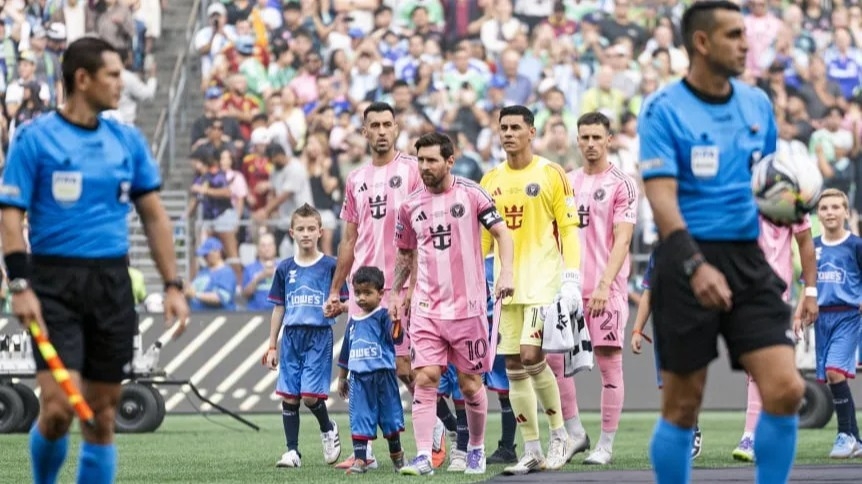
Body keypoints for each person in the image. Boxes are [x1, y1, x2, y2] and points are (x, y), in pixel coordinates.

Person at [0, 37, 189, 484]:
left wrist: (173, 284)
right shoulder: (35, 138)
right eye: (113, 75)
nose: (122, 84)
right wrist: (20, 285)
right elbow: (10, 217)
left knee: (101, 416)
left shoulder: (127, 140)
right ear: (82, 80)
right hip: (52, 285)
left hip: (111, 284)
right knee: (59, 408)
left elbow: (154, 216)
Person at [638, 3, 805, 483]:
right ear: (702, 42)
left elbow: (767, 184)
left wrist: (789, 204)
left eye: (745, 34)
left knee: (785, 389)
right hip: (686, 257)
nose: (745, 44)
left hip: (747, 258)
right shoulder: (663, 110)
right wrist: (695, 265)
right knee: (683, 405)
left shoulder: (757, 104)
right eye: (733, 35)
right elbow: (662, 201)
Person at [324, 102, 447, 468]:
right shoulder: (356, 179)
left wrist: (411, 286)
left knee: (406, 366)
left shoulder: (412, 171)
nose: (380, 130)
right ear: (364, 131)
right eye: (373, 125)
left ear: (397, 129)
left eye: (386, 124)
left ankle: (443, 429)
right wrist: (337, 290)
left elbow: (423, 227)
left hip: (400, 287)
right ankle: (367, 453)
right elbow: (349, 238)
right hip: (364, 292)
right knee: (365, 369)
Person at [392, 132, 514, 476]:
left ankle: (475, 447)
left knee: (470, 385)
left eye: (432, 160)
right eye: (421, 160)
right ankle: (422, 456)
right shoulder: (410, 205)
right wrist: (396, 293)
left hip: (469, 308)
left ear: (449, 160)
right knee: (425, 377)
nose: (425, 167)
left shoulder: (472, 194)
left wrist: (506, 274)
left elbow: (503, 234)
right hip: (427, 309)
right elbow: (404, 252)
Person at [480, 105, 582, 475]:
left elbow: (569, 228)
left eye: (515, 128)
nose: (508, 133)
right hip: (505, 287)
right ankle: (533, 448)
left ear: (531, 132)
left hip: (543, 283)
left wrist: (572, 276)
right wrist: (478, 280)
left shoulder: (551, 173)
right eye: (503, 127)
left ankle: (560, 436)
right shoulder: (490, 179)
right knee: (511, 366)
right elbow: (483, 242)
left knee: (529, 354)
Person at [567, 111, 639, 465]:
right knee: (550, 361)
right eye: (585, 137)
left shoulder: (622, 183)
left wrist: (604, 285)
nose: (591, 144)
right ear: (577, 140)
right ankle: (575, 432)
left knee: (609, 366)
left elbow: (623, 239)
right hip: (567, 292)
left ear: (609, 139)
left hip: (605, 290)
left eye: (597, 137)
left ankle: (606, 446)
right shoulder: (565, 182)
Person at [262, 204, 346, 468]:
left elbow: (344, 302)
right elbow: (279, 307)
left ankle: (328, 426)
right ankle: (292, 452)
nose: (306, 233)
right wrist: (272, 345)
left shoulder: (331, 266)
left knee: (310, 396)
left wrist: (337, 307)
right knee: (289, 396)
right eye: (301, 229)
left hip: (319, 336)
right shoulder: (285, 268)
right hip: (291, 337)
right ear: (291, 233)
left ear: (320, 232)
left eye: (311, 228)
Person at [732, 214, 818, 462]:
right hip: (737, 290)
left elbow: (805, 242)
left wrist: (810, 293)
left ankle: (750, 436)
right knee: (755, 367)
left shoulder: (789, 195)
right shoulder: (734, 187)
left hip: (772, 294)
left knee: (764, 366)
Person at [801, 189, 862, 458]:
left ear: (846, 213)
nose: (830, 212)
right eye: (824, 208)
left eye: (836, 207)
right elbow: (808, 284)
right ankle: (856, 439)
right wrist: (798, 311)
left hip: (848, 315)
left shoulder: (856, 245)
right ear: (818, 214)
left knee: (836, 372)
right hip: (821, 318)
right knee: (830, 378)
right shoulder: (812, 245)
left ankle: (844, 434)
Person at [631, 249, 703, 460]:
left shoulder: (699, 247)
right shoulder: (659, 253)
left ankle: (692, 430)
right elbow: (648, 293)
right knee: (670, 386)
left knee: (689, 381)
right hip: (665, 328)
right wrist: (637, 329)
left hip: (693, 325)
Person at [336, 266, 406, 474]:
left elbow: (397, 338)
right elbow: (346, 352)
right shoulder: (353, 322)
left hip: (383, 377)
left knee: (390, 419)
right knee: (359, 417)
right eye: (358, 293)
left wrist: (396, 323)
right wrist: (342, 377)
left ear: (380, 293)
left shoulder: (383, 316)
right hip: (359, 380)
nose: (361, 298)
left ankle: (397, 457)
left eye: (367, 293)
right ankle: (360, 460)